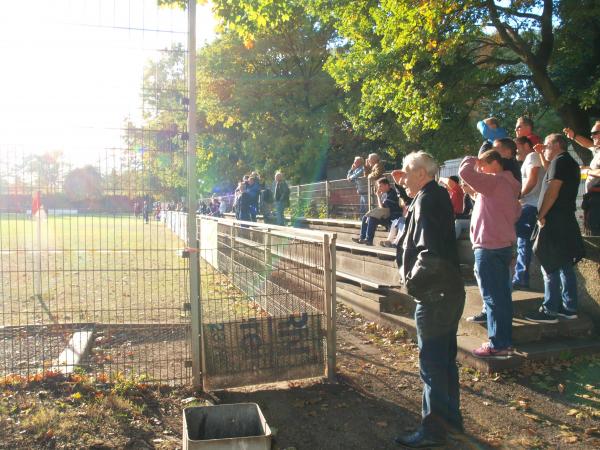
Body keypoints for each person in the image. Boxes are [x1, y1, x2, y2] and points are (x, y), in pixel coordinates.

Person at [393, 151, 465, 448]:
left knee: (433, 365)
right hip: (448, 292)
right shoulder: (433, 195)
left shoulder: (426, 200)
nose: (403, 177)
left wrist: (411, 281)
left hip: (435, 295)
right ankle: (450, 423)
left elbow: (429, 253)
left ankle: (434, 431)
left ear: (421, 173)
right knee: (445, 362)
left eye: (406, 173)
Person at [459, 150, 521, 358]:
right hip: (504, 245)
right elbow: (513, 212)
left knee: (493, 298)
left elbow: (465, 172)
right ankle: (504, 342)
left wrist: (471, 159)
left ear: (494, 163)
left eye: (483, 165)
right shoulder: (510, 185)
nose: (480, 169)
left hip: (489, 248)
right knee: (502, 297)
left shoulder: (495, 181)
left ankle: (497, 344)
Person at [525, 134, 585, 323]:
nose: (544, 147)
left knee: (549, 263)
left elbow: (553, 190)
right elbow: (549, 170)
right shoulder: (567, 162)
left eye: (547, 145)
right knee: (564, 265)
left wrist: (541, 215)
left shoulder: (560, 162)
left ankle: (550, 309)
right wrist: (543, 154)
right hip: (565, 219)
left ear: (557, 145)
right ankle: (569, 307)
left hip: (554, 220)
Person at [512, 136, 545, 289]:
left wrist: (518, 196)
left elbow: (532, 179)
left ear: (526, 145)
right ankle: (521, 276)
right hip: (530, 205)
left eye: (516, 146)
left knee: (523, 241)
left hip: (531, 205)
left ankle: (521, 278)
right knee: (522, 241)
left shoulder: (532, 156)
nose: (514, 150)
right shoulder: (529, 158)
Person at [563, 121, 600, 235]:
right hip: (594, 199)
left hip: (598, 199)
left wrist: (588, 171)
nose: (592, 136)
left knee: (595, 234)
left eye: (595, 133)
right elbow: (588, 145)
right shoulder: (597, 150)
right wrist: (573, 136)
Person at [352, 178, 401, 246]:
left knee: (371, 218)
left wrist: (378, 196)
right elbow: (382, 209)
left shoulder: (392, 193)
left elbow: (382, 207)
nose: (379, 188)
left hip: (392, 218)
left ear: (387, 185)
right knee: (365, 217)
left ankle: (368, 240)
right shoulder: (384, 194)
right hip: (386, 216)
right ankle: (362, 238)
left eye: (380, 186)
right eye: (378, 186)